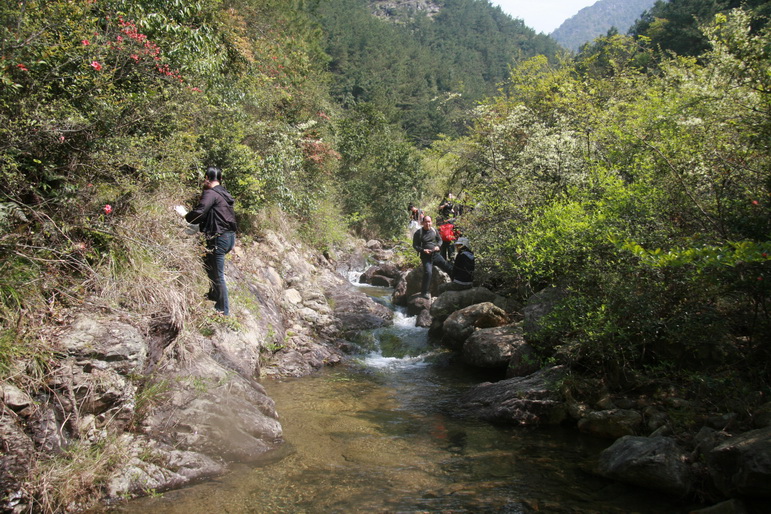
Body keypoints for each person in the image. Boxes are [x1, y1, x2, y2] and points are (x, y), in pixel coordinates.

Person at [175, 166, 237, 316]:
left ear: (207, 179)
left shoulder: (210, 193)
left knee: (217, 274)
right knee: (208, 264)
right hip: (229, 237)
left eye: (205, 179)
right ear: (220, 180)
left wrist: (185, 215)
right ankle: (214, 295)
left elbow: (200, 212)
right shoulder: (224, 194)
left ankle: (223, 311)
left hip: (219, 237)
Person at [412, 216, 452, 299]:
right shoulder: (418, 233)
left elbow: (440, 240)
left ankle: (455, 283)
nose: (428, 224)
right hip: (425, 256)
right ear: (422, 223)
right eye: (426, 222)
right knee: (428, 272)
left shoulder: (434, 230)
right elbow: (415, 245)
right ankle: (424, 292)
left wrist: (438, 246)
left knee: (448, 267)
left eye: (429, 221)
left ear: (431, 222)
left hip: (436, 254)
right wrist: (423, 250)